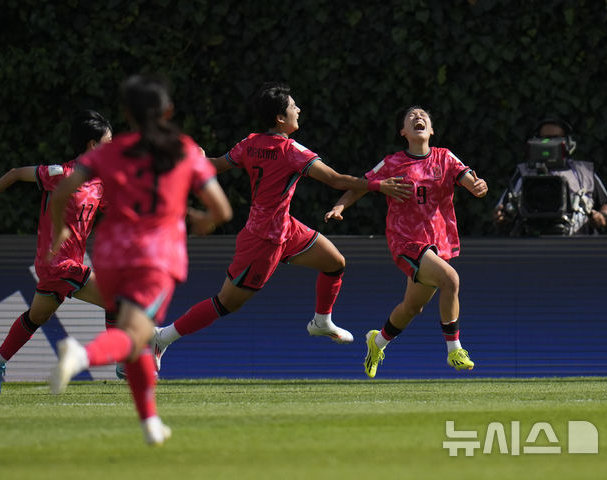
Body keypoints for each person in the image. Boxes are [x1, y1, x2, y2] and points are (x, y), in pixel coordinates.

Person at [151, 82, 412, 370]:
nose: (298, 110)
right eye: (293, 107)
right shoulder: (290, 150)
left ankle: (321, 321)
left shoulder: (249, 143)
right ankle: (162, 337)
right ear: (280, 118)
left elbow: (217, 165)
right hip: (263, 239)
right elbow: (335, 180)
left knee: (334, 262)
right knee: (226, 302)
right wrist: (378, 185)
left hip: (285, 227)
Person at [47, 74, 232, 446]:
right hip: (155, 259)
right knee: (133, 336)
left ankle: (150, 423)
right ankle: (80, 355)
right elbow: (222, 211)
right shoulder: (182, 149)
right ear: (167, 110)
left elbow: (62, 191)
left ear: (127, 114)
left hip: (111, 256)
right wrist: (200, 220)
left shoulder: (107, 152)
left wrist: (59, 233)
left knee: (138, 338)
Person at [324, 106, 488, 377]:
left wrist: (478, 187)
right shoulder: (392, 163)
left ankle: (376, 343)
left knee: (412, 307)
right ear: (403, 131)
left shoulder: (444, 157)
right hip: (405, 241)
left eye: (423, 115)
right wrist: (340, 206)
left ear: (432, 129)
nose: (418, 118)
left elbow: (471, 181)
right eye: (411, 117)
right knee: (451, 279)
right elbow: (361, 185)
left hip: (435, 243)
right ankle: (454, 350)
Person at [0, 109, 114, 394]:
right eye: (109, 141)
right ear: (93, 146)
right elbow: (15, 174)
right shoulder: (60, 174)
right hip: (59, 264)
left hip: (63, 267)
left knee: (37, 317)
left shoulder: (100, 185)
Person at [493, 118, 607, 236]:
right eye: (544, 138)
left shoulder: (584, 173)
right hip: (531, 245)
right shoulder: (523, 173)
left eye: (556, 138)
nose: (549, 143)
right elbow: (501, 209)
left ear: (568, 142)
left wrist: (602, 217)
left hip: (578, 246)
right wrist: (502, 217)